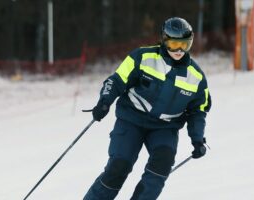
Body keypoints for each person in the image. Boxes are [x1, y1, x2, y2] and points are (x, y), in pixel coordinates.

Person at [83, 17, 212, 200]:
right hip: (132, 120)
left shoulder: (196, 77)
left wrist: (198, 139)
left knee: (161, 165)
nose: (179, 50)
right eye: (174, 44)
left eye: (185, 45)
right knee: (119, 165)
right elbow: (116, 80)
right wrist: (104, 102)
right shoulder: (143, 57)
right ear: (164, 40)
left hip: (165, 127)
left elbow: (198, 110)